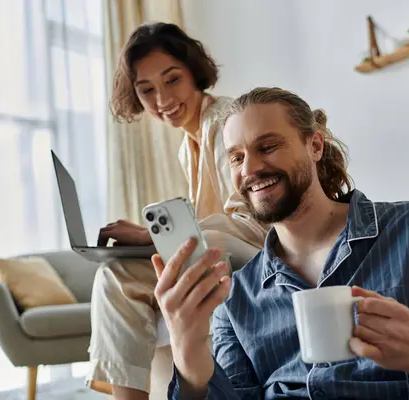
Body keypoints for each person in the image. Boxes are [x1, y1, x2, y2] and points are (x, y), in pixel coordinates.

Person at [154, 86, 409, 399]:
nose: (251, 168)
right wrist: (189, 352)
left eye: (267, 147)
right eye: (237, 158)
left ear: (315, 146)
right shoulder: (237, 296)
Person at [86, 23, 268, 399]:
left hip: (257, 255)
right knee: (119, 277)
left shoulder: (224, 121)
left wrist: (152, 235)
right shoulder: (188, 146)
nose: (162, 99)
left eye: (172, 80)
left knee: (117, 273)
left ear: (194, 73)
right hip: (219, 253)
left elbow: (251, 224)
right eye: (146, 89)